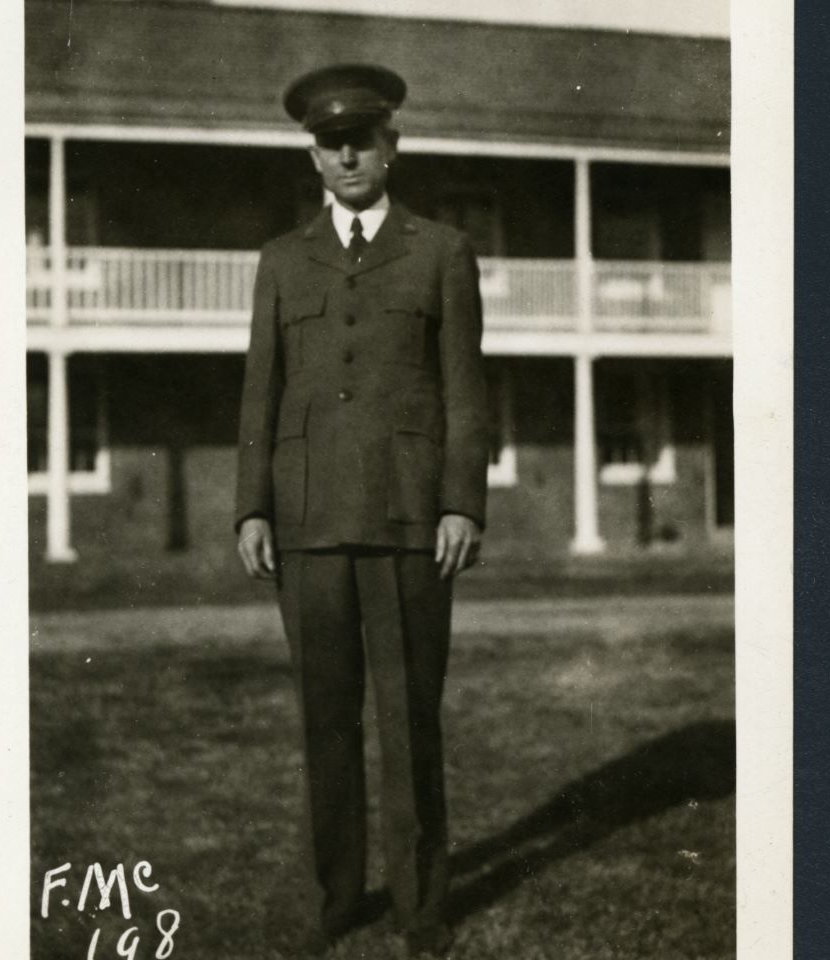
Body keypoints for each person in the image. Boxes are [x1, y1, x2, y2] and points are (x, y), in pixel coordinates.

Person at [235, 63, 488, 957]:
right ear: (313, 156)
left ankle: (422, 907)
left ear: (392, 146)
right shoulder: (279, 261)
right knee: (325, 719)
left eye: (362, 140)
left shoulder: (441, 251)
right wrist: (251, 510)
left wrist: (462, 503)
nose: (347, 155)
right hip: (305, 524)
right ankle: (338, 898)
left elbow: (465, 390)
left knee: (410, 717)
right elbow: (259, 395)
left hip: (410, 520)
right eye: (330, 143)